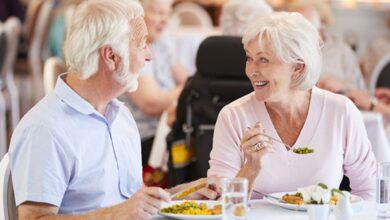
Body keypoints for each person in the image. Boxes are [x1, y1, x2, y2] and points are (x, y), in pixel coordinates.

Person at [9, 0, 218, 219]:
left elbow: (131, 206)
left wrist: (184, 194)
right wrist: (116, 214)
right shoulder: (45, 129)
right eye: (142, 45)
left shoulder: (121, 117)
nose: (149, 55)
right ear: (110, 56)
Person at [207, 12, 376, 200]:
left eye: (263, 59)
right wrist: (251, 168)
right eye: (249, 58)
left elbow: (369, 191)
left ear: (297, 68)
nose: (251, 71)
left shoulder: (341, 112)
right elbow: (219, 204)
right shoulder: (233, 116)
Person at [121, 0, 191, 166]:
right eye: (158, 13)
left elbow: (185, 78)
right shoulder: (131, 48)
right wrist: (191, 87)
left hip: (163, 129)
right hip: (142, 138)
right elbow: (152, 103)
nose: (164, 20)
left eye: (167, 13)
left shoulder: (161, 40)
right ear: (139, 14)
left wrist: (192, 85)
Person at [283, 1, 366, 93]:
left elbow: (361, 91)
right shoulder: (287, 50)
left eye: (306, 27)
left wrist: (342, 86)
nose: (299, 33)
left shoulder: (341, 49)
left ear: (322, 26)